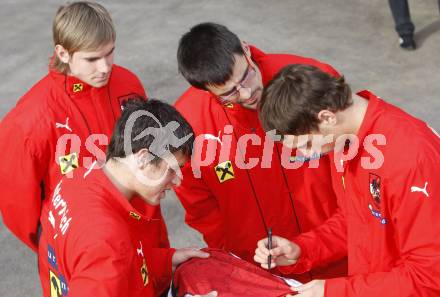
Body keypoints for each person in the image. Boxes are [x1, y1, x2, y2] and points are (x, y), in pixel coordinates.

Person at [174, 22, 347, 283]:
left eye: (246, 75)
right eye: (229, 93)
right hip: (262, 270)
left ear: (245, 49)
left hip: (340, 252)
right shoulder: (189, 126)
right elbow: (200, 205)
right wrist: (234, 254)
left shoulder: (312, 80)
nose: (247, 93)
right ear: (206, 90)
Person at [0, 1, 169, 258]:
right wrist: (65, 246)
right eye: (92, 58)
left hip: (147, 243)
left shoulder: (128, 84)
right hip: (87, 255)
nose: (105, 67)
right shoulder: (29, 121)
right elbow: (19, 210)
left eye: (110, 52)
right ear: (63, 53)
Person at [254, 64, 440, 296]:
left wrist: (336, 291)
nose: (304, 155)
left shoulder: (411, 159)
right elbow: (354, 220)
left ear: (327, 117)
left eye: (306, 145)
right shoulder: (344, 139)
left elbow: (430, 276)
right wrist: (302, 250)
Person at [37, 98, 216, 296]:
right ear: (143, 157)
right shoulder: (107, 239)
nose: (177, 181)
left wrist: (163, 261)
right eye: (172, 169)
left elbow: (94, 263)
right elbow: (106, 256)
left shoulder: (76, 179)